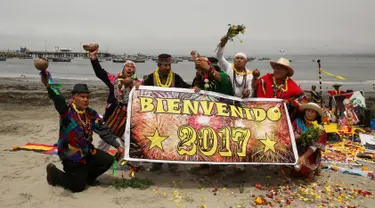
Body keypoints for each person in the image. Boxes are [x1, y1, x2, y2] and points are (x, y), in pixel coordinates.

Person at [42, 73, 124, 192]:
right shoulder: (67, 112)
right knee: (78, 187)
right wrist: (49, 85)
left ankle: (88, 178)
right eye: (82, 96)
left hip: (87, 152)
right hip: (71, 156)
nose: (85, 100)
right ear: (73, 98)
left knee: (108, 160)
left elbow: (103, 130)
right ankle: (54, 173)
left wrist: (117, 146)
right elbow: (58, 98)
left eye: (87, 97)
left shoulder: (90, 114)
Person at [141, 53, 190, 173]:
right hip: (155, 116)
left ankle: (172, 163)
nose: (167, 68)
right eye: (164, 65)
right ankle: (156, 163)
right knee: (155, 140)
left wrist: (195, 89)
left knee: (172, 139)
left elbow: (185, 89)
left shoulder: (176, 78)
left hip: (171, 116)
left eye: (169, 65)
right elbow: (142, 93)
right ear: (158, 65)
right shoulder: (150, 78)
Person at [89, 48, 140, 151]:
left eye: (132, 67)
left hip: (128, 120)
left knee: (130, 145)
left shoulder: (139, 84)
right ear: (123, 69)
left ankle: (134, 164)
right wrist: (93, 58)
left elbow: (152, 86)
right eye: (127, 66)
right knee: (104, 143)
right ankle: (99, 161)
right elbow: (100, 73)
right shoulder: (114, 80)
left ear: (134, 70)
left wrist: (139, 85)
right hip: (111, 117)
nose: (129, 69)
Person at [190, 56, 234, 175]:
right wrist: (196, 89)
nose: (197, 71)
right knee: (204, 137)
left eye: (200, 69)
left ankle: (216, 165)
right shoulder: (204, 80)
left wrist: (208, 69)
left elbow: (222, 82)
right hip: (208, 115)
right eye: (197, 69)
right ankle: (204, 162)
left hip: (222, 114)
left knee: (218, 140)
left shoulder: (224, 76)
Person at [292, 102, 326, 181]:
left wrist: (304, 157)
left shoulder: (319, 128)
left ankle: (312, 168)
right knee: (295, 173)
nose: (309, 113)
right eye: (308, 111)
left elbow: (315, 146)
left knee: (306, 173)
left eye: (312, 112)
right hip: (296, 149)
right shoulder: (297, 122)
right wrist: (294, 135)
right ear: (305, 111)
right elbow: (289, 132)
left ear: (316, 114)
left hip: (310, 153)